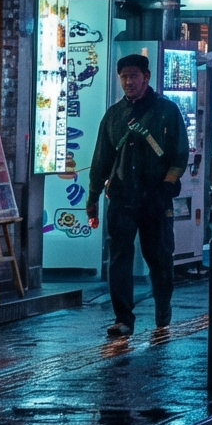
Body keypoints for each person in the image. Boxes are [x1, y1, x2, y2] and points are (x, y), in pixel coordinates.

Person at [90, 52, 190, 336]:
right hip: (122, 196)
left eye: (133, 76)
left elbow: (180, 155)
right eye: (123, 77)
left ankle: (162, 309)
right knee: (119, 257)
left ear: (146, 77)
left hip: (156, 196)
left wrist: (168, 185)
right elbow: (101, 161)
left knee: (158, 256)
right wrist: (92, 199)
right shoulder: (114, 115)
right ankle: (123, 318)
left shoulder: (167, 111)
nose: (128, 82)